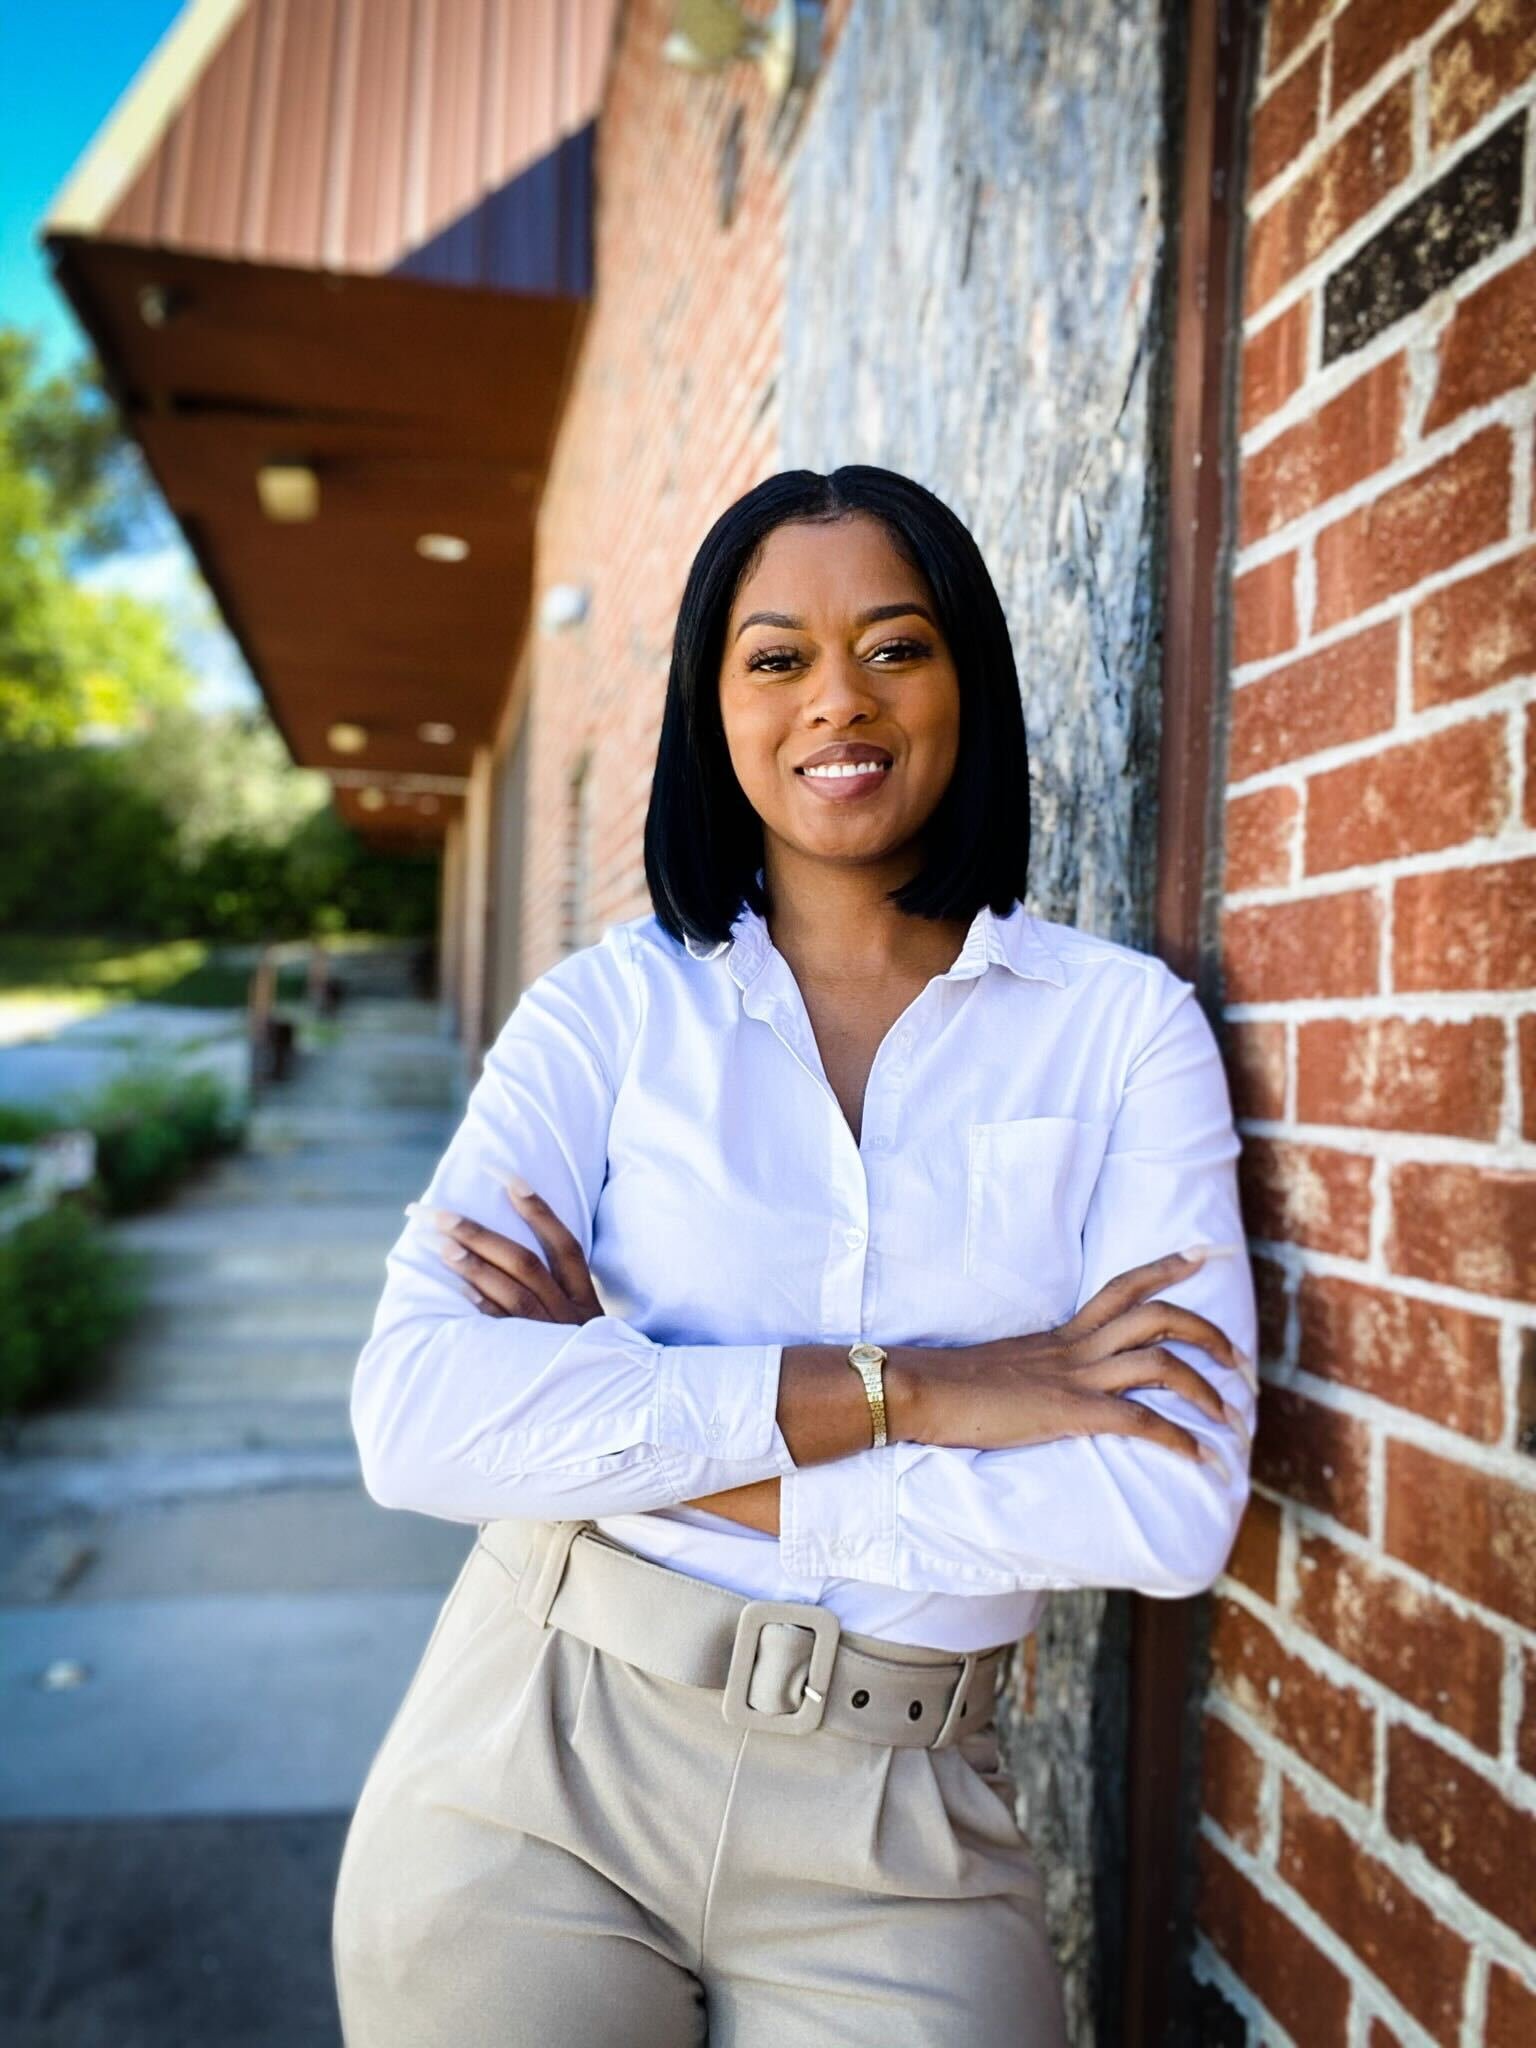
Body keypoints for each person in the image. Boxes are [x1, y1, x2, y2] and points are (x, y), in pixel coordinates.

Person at [331, 466, 1258, 2046]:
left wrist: (622, 1409)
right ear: (717, 703)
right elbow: (416, 1420)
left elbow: (1166, 1507)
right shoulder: (607, 1015)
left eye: (896, 645)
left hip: (905, 1828)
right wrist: (932, 1392)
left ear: (968, 677)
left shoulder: (1122, 1031)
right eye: (776, 657)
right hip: (536, 1757)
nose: (840, 699)